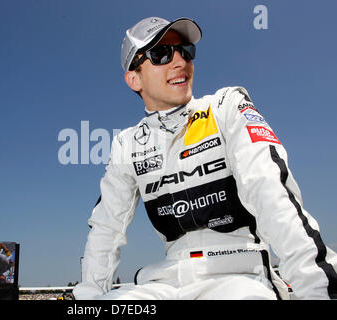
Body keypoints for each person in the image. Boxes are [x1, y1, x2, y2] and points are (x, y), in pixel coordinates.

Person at [73, 16, 337, 300]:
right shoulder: (127, 143)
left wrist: (317, 290)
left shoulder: (226, 106)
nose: (180, 62)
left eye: (185, 51)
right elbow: (106, 228)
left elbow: (271, 193)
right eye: (161, 54)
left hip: (239, 278)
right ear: (133, 78)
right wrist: (88, 297)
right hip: (164, 282)